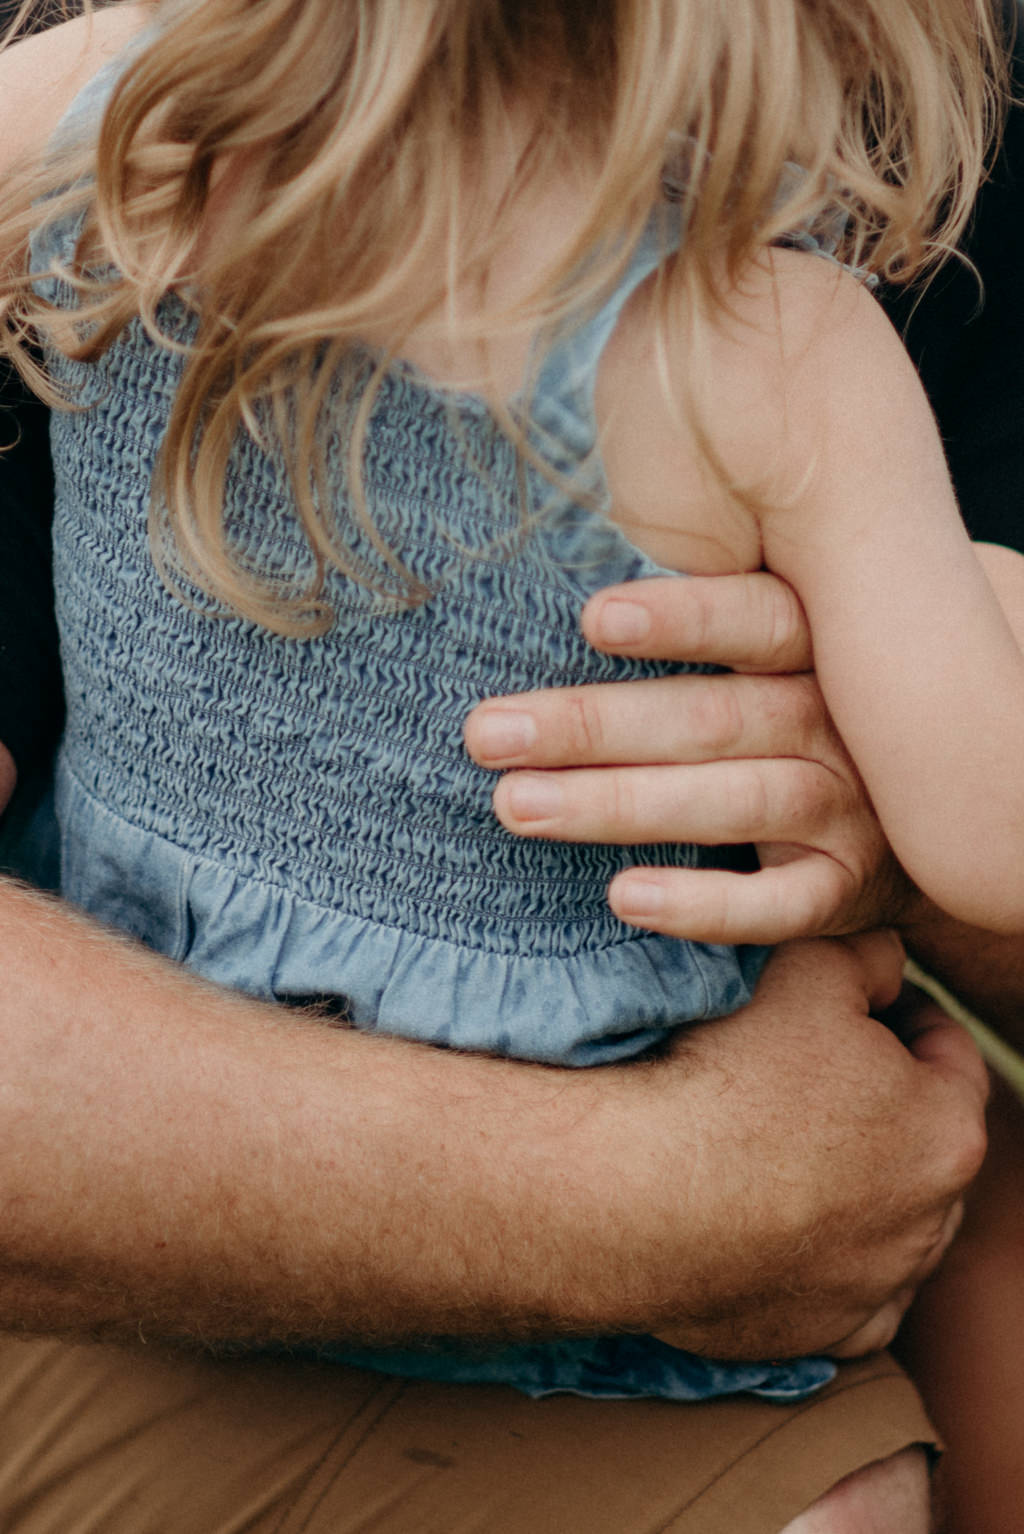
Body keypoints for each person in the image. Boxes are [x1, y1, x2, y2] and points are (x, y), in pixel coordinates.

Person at [0, 1, 1009, 1530]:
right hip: (641, 1242)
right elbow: (987, 842)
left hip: (165, 1165)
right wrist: (980, 597)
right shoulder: (779, 353)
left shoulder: (119, 125)